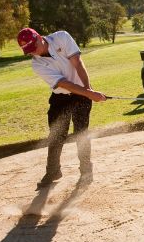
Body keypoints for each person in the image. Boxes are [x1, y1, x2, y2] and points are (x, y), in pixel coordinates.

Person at [17, 27, 107, 189]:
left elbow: (77, 63)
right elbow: (63, 83)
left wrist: (88, 90)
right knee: (56, 134)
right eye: (29, 51)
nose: (33, 52)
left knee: (81, 132)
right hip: (60, 97)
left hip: (81, 91)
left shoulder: (61, 37)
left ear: (39, 37)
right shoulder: (37, 64)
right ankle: (53, 171)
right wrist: (89, 93)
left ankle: (86, 171)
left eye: (33, 47)